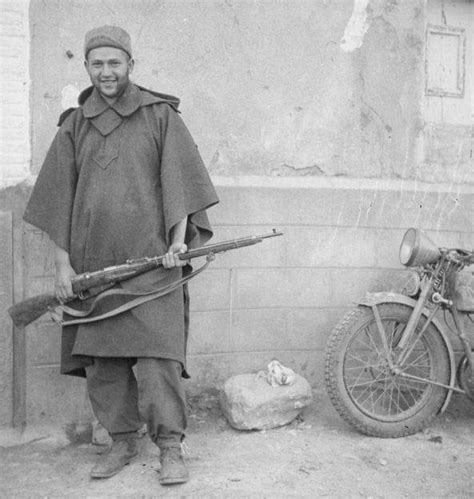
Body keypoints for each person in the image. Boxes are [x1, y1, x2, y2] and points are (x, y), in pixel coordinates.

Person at [23, 25, 219, 485]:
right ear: (87, 67)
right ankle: (122, 441)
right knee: (104, 366)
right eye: (98, 64)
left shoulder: (160, 116)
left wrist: (177, 243)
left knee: (157, 364)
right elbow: (58, 200)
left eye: (115, 63)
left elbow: (181, 185)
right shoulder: (74, 125)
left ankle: (170, 446)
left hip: (153, 267)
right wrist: (62, 266)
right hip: (95, 273)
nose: (107, 72)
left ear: (132, 64)